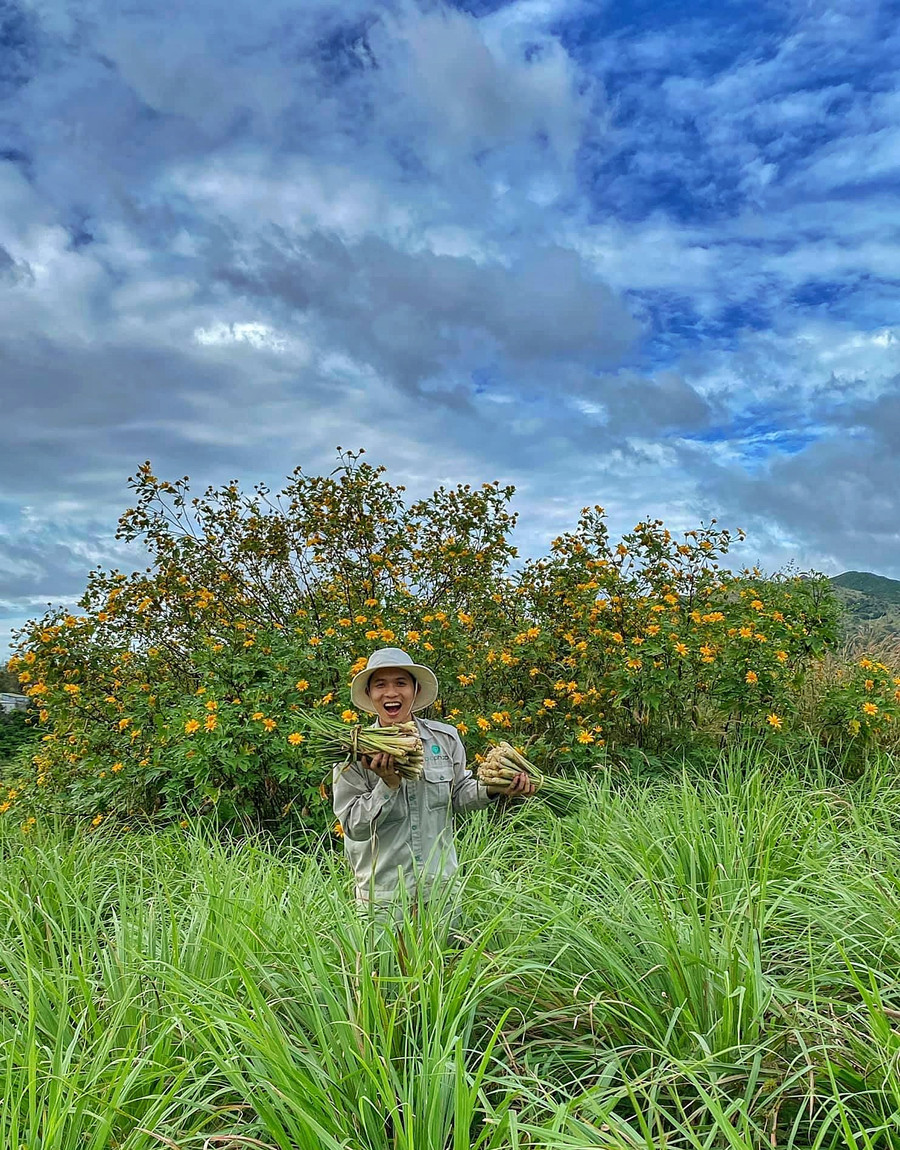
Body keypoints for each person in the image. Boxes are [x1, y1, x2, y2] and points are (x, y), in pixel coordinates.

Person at [332, 647, 535, 916]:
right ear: (369, 693)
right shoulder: (353, 753)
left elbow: (458, 796)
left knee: (449, 947)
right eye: (380, 685)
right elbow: (353, 827)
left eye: (401, 683)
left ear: (415, 690)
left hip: (441, 891)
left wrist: (495, 787)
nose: (391, 693)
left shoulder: (444, 739)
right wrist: (387, 785)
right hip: (383, 897)